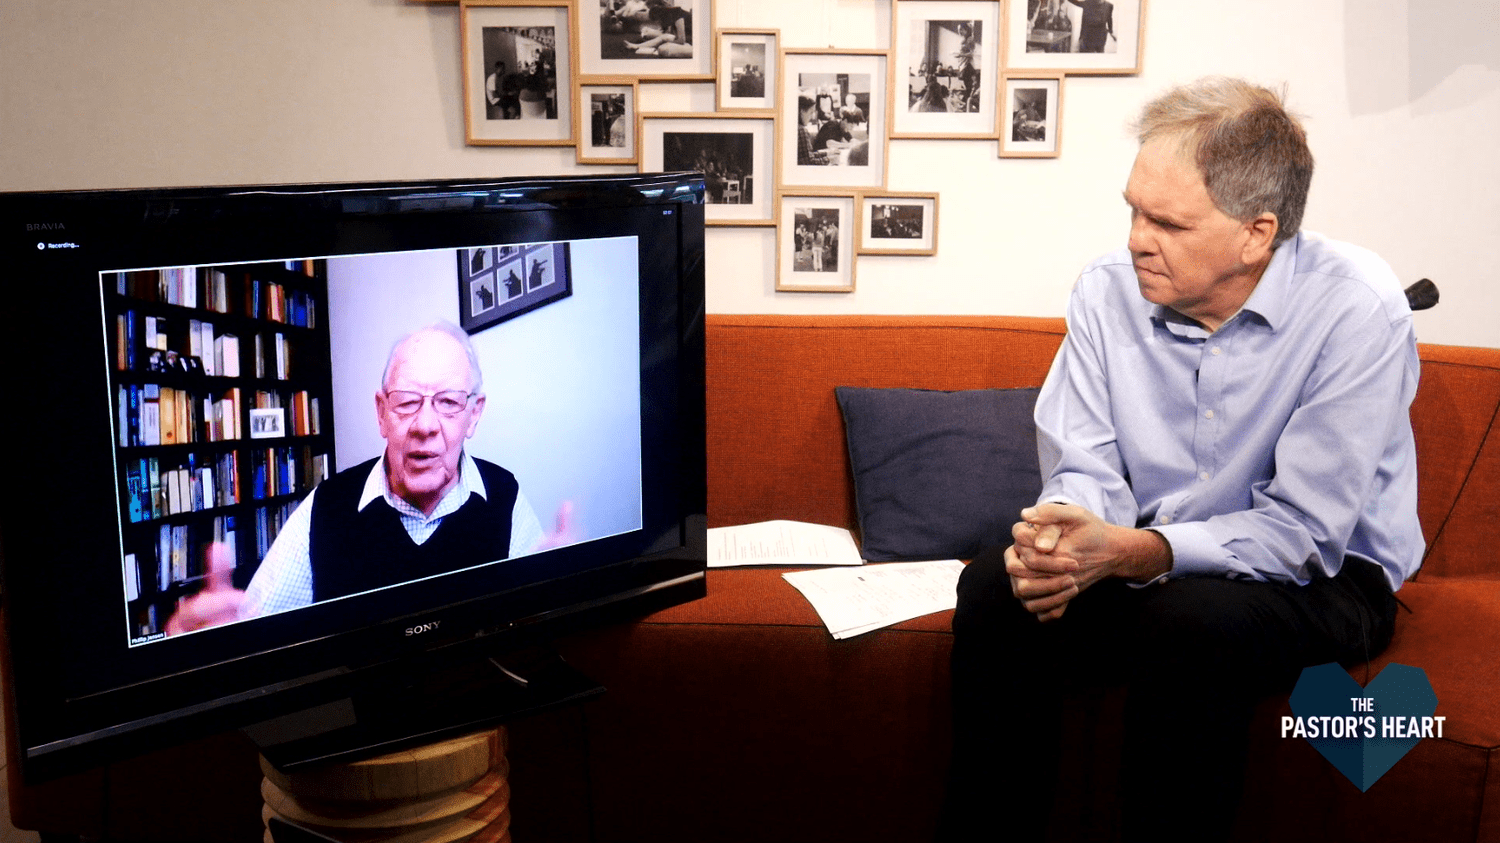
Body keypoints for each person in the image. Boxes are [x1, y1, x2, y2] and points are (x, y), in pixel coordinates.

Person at [940, 77, 1420, 843]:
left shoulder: (1358, 309)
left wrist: (1132, 553)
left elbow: (1301, 532)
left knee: (1193, 621)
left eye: (1166, 221)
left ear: (1256, 234)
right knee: (1003, 582)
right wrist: (1068, 534)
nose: (1137, 238)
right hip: (1150, 553)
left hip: (1326, 575)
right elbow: (1085, 464)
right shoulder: (1106, 291)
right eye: (1133, 209)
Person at [167, 321, 572, 631]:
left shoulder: (505, 496)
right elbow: (255, 635)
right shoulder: (326, 508)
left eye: (448, 402)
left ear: (474, 414)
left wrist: (567, 597)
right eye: (406, 402)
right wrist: (206, 643)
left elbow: (536, 619)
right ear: (381, 413)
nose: (425, 425)